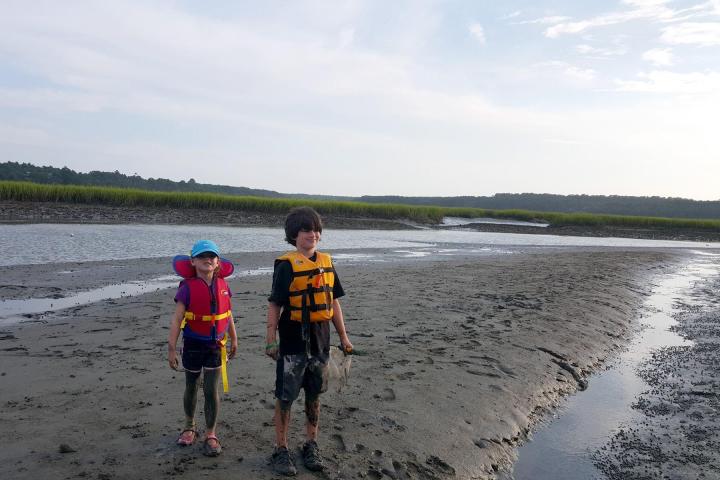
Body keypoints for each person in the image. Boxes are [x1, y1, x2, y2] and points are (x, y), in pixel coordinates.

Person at [266, 207, 353, 476]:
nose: (312, 234)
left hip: (320, 339)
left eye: (316, 230)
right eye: (306, 230)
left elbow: (334, 303)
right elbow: (275, 305)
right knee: (286, 395)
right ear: (293, 234)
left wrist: (344, 337)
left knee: (314, 394)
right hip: (292, 339)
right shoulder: (286, 266)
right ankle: (281, 448)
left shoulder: (326, 262)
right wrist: (271, 340)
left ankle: (310, 443)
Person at [168, 239, 238, 457]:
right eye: (202, 256)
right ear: (193, 261)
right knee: (191, 386)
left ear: (218, 262)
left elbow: (228, 316)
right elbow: (177, 318)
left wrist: (234, 339)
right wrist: (171, 348)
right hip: (192, 346)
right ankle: (189, 426)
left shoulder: (224, 287)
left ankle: (211, 433)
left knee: (210, 390)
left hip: (216, 346)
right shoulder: (187, 289)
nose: (207, 259)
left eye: (211, 256)